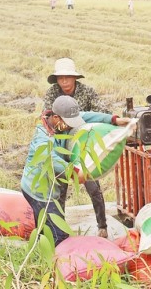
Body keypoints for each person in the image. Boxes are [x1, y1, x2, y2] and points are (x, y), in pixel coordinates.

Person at [21, 95, 131, 246]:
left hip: (55, 184)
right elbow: (49, 158)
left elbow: (87, 116)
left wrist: (114, 120)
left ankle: (43, 252)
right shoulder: (42, 135)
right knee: (57, 234)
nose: (69, 126)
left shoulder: (63, 123)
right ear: (55, 117)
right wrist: (73, 171)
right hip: (40, 191)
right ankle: (54, 259)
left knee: (48, 228)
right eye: (67, 122)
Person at [43, 58, 112, 238]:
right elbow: (47, 117)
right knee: (60, 188)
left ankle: (102, 226)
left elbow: (102, 111)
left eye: (68, 77)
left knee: (92, 184)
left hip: (83, 144)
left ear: (75, 78)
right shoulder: (52, 94)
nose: (64, 82)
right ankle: (60, 229)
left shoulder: (87, 92)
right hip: (61, 143)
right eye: (61, 78)